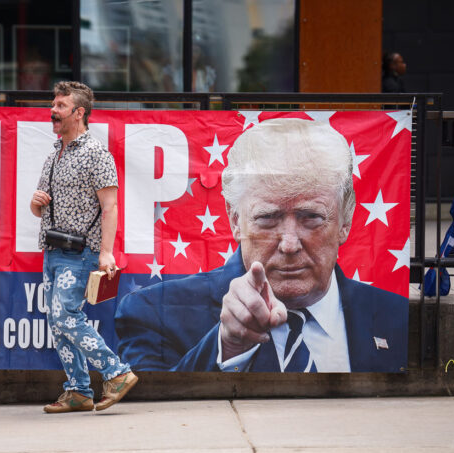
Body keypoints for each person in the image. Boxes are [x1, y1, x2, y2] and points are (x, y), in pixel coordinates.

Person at [115, 118, 408, 373]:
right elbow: (151, 421)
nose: (290, 244)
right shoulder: (154, 313)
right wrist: (227, 348)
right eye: (268, 218)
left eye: (311, 218)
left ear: (345, 221)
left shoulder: (396, 316)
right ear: (235, 221)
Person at [30, 81, 138, 413]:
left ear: (79, 113)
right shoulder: (54, 154)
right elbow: (39, 209)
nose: (53, 110)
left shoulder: (96, 153)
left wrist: (106, 252)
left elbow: (111, 206)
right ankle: (78, 390)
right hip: (52, 252)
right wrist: (35, 204)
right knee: (56, 320)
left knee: (64, 317)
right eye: (54, 103)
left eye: (60, 105)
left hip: (80, 254)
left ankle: (116, 372)